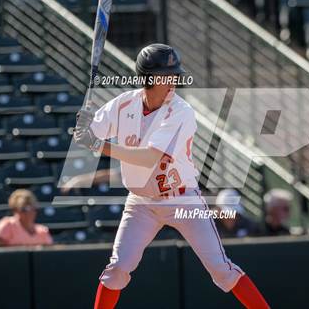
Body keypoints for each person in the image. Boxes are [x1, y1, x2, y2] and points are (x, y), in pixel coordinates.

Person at [74, 43, 270, 309]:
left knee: (221, 270)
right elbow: (88, 133)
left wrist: (98, 143)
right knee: (118, 268)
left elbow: (148, 158)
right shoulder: (123, 104)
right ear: (149, 77)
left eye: (175, 74)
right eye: (167, 74)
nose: (174, 80)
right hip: (141, 202)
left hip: (182, 200)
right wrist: (84, 127)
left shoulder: (181, 112)